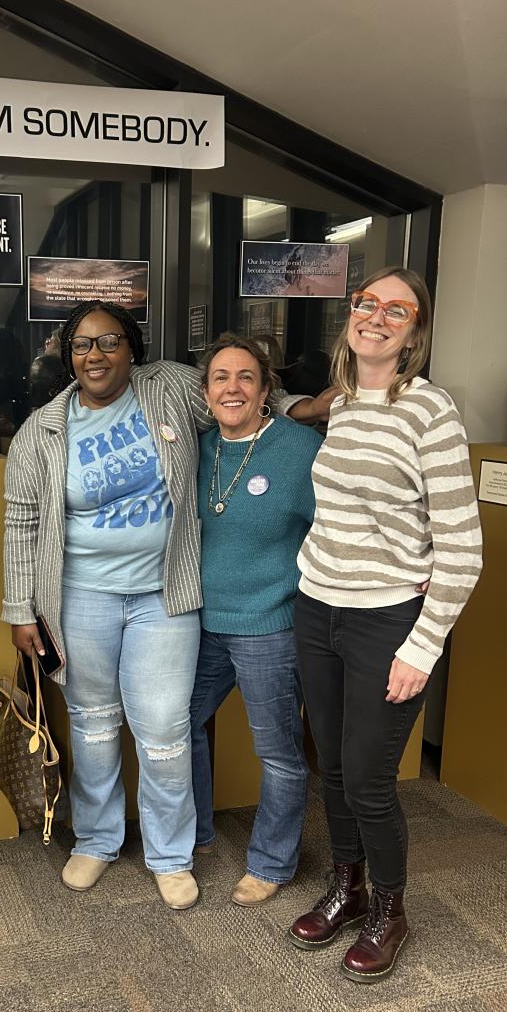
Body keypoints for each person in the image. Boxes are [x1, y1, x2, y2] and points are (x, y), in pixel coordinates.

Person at [289, 267, 483, 981]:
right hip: (319, 608)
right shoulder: (342, 403)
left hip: (386, 623)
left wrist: (422, 646)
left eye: (395, 309)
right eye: (368, 303)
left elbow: (462, 550)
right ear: (352, 313)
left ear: (414, 330)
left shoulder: (430, 411)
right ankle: (349, 886)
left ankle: (390, 911)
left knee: (370, 778)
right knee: (333, 768)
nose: (377, 316)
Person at [3, 300, 207, 910]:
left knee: (165, 728)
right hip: (80, 596)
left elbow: (233, 398)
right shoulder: (41, 429)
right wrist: (19, 608)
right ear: (68, 356)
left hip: (164, 593)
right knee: (93, 724)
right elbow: (21, 522)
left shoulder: (168, 387)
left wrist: (297, 408)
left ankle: (170, 854)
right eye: (82, 345)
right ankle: (95, 840)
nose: (95, 355)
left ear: (132, 348)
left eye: (109, 342)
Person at [189, 333, 321, 906]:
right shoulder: (197, 447)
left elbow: (335, 529)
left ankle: (272, 860)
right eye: (221, 377)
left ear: (267, 390)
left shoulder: (300, 449)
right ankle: (190, 835)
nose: (233, 387)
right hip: (197, 622)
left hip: (270, 623)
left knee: (278, 751)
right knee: (178, 728)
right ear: (206, 391)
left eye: (246, 377)